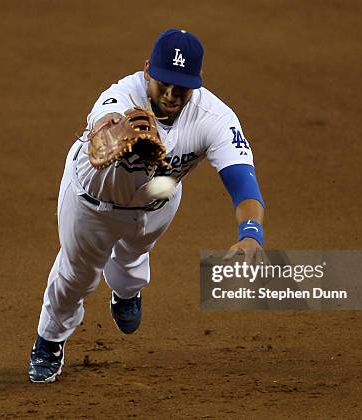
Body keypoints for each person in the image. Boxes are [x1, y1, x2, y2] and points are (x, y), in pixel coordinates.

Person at [29, 29, 265, 383]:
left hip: (157, 203)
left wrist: (251, 234)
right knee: (77, 276)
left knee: (133, 256)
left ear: (197, 83)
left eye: (181, 88)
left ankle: (125, 292)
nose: (171, 95)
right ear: (147, 72)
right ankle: (49, 340)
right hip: (92, 204)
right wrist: (115, 131)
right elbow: (104, 123)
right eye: (163, 83)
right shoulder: (119, 96)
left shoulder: (215, 119)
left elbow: (243, 183)